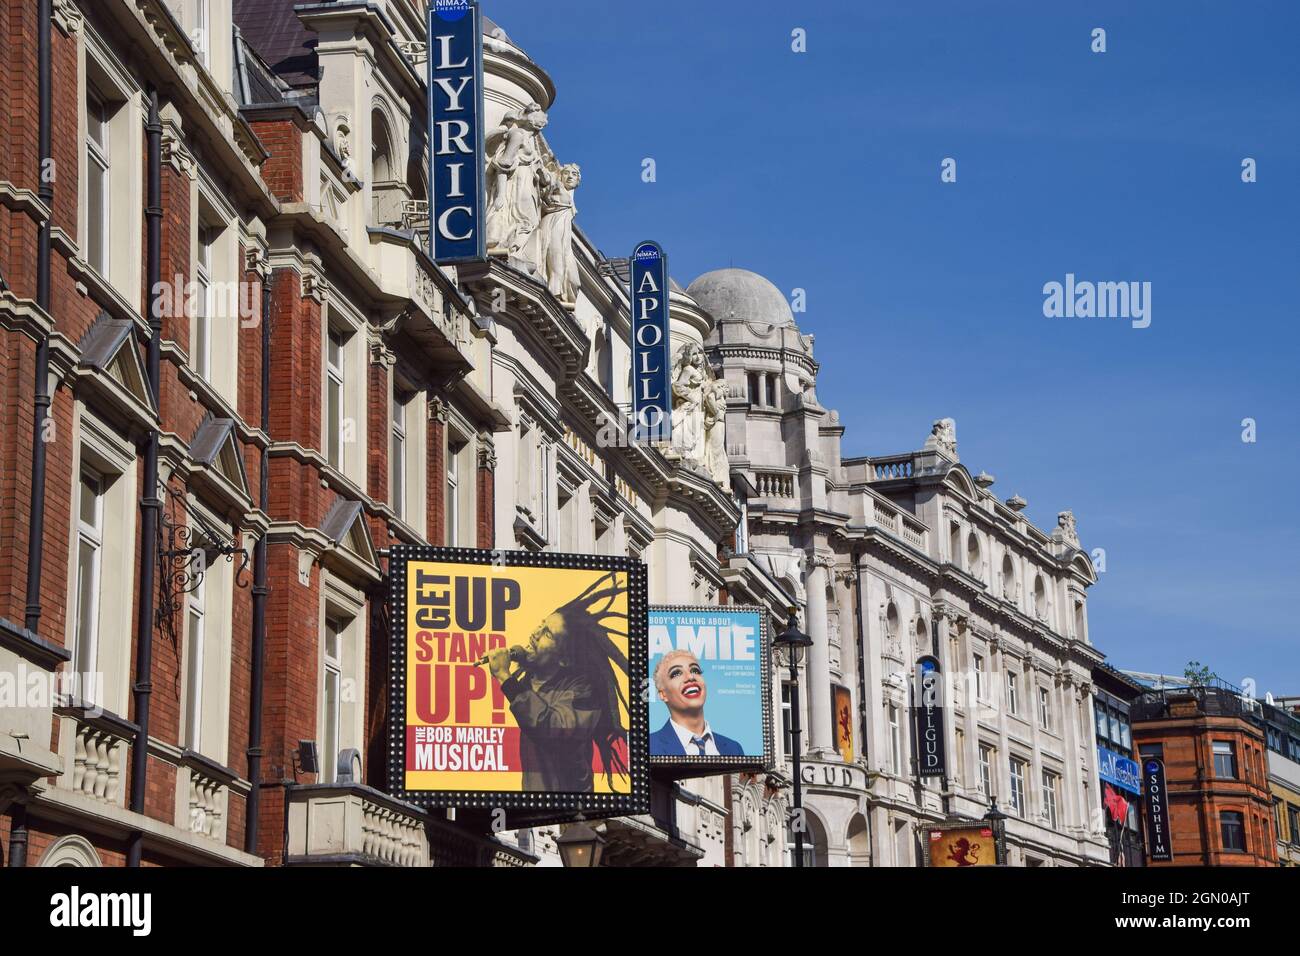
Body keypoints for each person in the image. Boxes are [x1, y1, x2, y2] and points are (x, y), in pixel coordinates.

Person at [486, 573, 630, 792]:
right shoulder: (530, 682)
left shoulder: (584, 692)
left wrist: (505, 678)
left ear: (565, 658)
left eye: (548, 635)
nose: (535, 634)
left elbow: (551, 726)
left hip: (568, 813)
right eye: (541, 624)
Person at [649, 649, 744, 756]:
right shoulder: (649, 746)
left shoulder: (734, 748)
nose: (690, 677)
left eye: (695, 671)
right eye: (676, 674)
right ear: (663, 694)